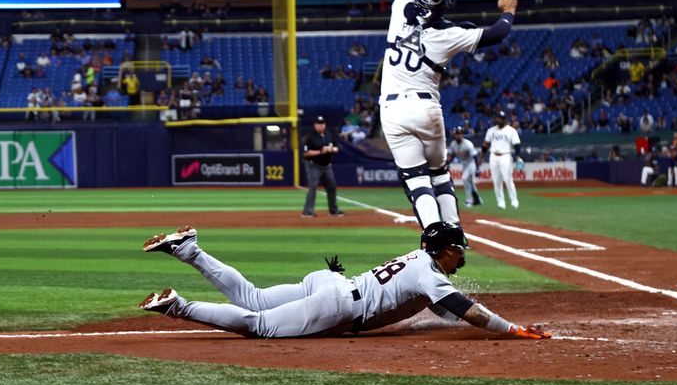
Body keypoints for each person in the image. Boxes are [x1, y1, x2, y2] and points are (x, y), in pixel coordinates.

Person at [139, 222, 552, 340]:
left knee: (254, 297)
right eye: (459, 249)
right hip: (338, 305)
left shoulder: (421, 262)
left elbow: (444, 310)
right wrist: (512, 329)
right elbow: (470, 313)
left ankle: (188, 249)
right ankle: (177, 305)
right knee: (259, 325)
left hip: (331, 283)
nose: (462, 254)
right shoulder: (432, 275)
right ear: (444, 250)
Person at [379, 0, 519, 229]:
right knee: (439, 173)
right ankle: (454, 232)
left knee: (415, 180)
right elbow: (497, 33)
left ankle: (434, 235)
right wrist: (508, 10)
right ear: (444, 5)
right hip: (424, 107)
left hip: (390, 110)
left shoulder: (401, 8)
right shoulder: (449, 34)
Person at [302, 116, 344, 218]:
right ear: (315, 125)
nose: (321, 126)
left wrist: (332, 149)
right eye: (319, 124)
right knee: (313, 187)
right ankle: (307, 211)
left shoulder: (329, 134)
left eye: (322, 124)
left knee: (332, 187)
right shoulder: (310, 137)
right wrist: (321, 151)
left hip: (327, 166)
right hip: (314, 166)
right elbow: (306, 153)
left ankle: (333, 210)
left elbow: (337, 147)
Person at [481, 111, 521, 209]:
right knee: (496, 180)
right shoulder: (491, 131)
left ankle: (514, 200)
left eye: (502, 118)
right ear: (496, 119)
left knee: (508, 179)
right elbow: (485, 144)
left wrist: (518, 156)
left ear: (505, 119)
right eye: (499, 118)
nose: (500, 119)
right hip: (493, 156)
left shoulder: (511, 131)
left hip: (505, 156)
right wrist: (481, 157)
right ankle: (501, 202)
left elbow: (517, 145)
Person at [447, 126, 483, 207]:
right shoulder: (453, 144)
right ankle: (477, 199)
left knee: (464, 178)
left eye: (459, 133)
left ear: (462, 134)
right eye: (457, 133)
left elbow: (475, 156)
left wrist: (477, 168)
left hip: (472, 163)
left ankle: (469, 200)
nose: (458, 135)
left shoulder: (468, 144)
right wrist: (447, 163)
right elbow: (451, 155)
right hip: (464, 164)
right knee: (470, 182)